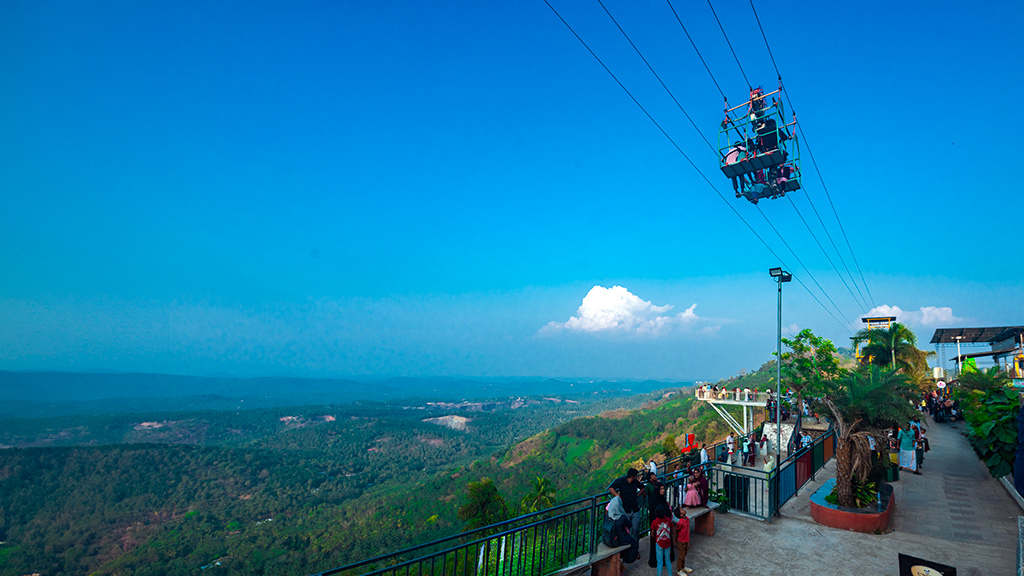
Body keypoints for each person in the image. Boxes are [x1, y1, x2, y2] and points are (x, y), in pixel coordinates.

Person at [651, 505, 673, 576]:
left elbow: (652, 534)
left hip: (659, 543)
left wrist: (656, 539)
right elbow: (671, 530)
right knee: (668, 561)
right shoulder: (668, 520)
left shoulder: (654, 522)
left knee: (659, 562)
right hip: (667, 543)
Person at [673, 506, 693, 574]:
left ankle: (683, 567)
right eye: (681, 510)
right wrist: (677, 538)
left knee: (684, 554)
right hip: (682, 541)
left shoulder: (687, 519)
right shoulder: (680, 523)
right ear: (681, 515)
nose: (683, 509)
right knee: (681, 555)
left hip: (686, 539)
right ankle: (679, 570)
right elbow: (677, 530)